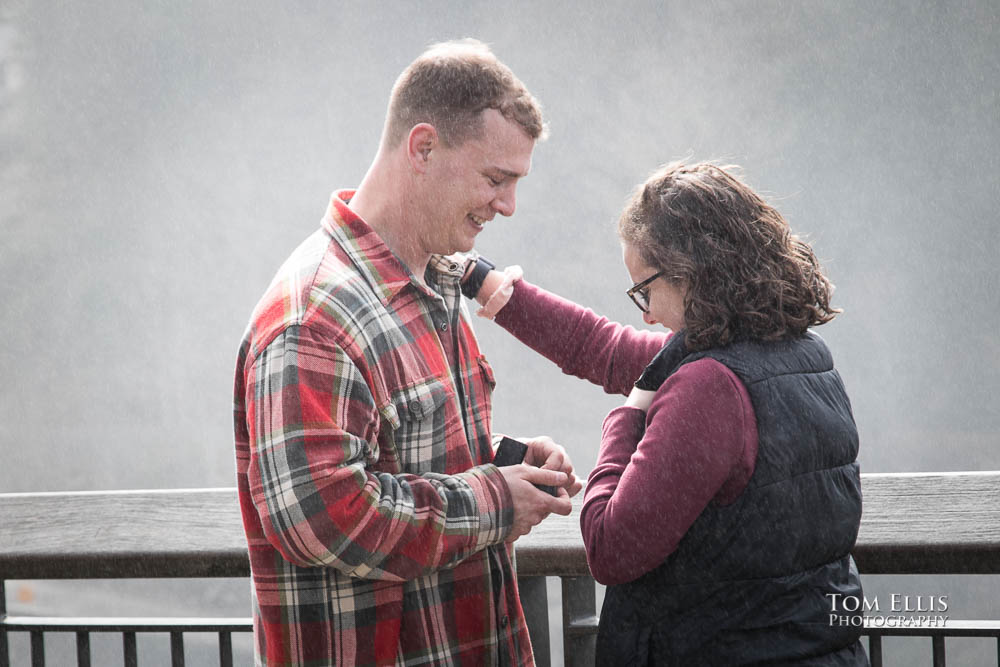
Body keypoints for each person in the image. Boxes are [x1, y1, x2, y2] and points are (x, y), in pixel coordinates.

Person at [233, 39, 582, 666]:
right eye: (495, 178)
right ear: (423, 147)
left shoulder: (433, 280)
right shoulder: (313, 316)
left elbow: (407, 449)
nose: (508, 205)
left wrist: (509, 462)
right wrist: (496, 498)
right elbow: (324, 517)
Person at [469, 162, 868, 665]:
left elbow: (610, 547)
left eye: (646, 290)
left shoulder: (709, 388)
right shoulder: (802, 354)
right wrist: (485, 284)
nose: (647, 315)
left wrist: (628, 418)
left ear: (690, 273)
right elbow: (603, 348)